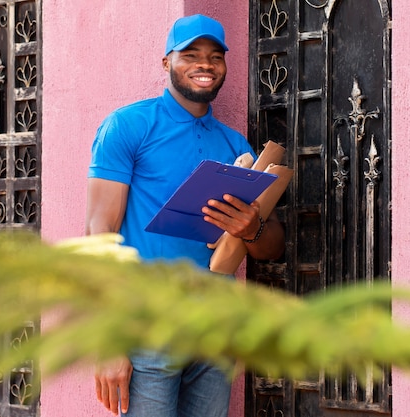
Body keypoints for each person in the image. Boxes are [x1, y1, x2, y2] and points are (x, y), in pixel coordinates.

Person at [86, 14, 285, 417]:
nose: (204, 65)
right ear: (166, 62)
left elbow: (271, 246)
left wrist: (252, 228)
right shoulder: (128, 126)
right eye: (190, 54)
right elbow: (98, 230)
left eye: (215, 56)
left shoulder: (236, 146)